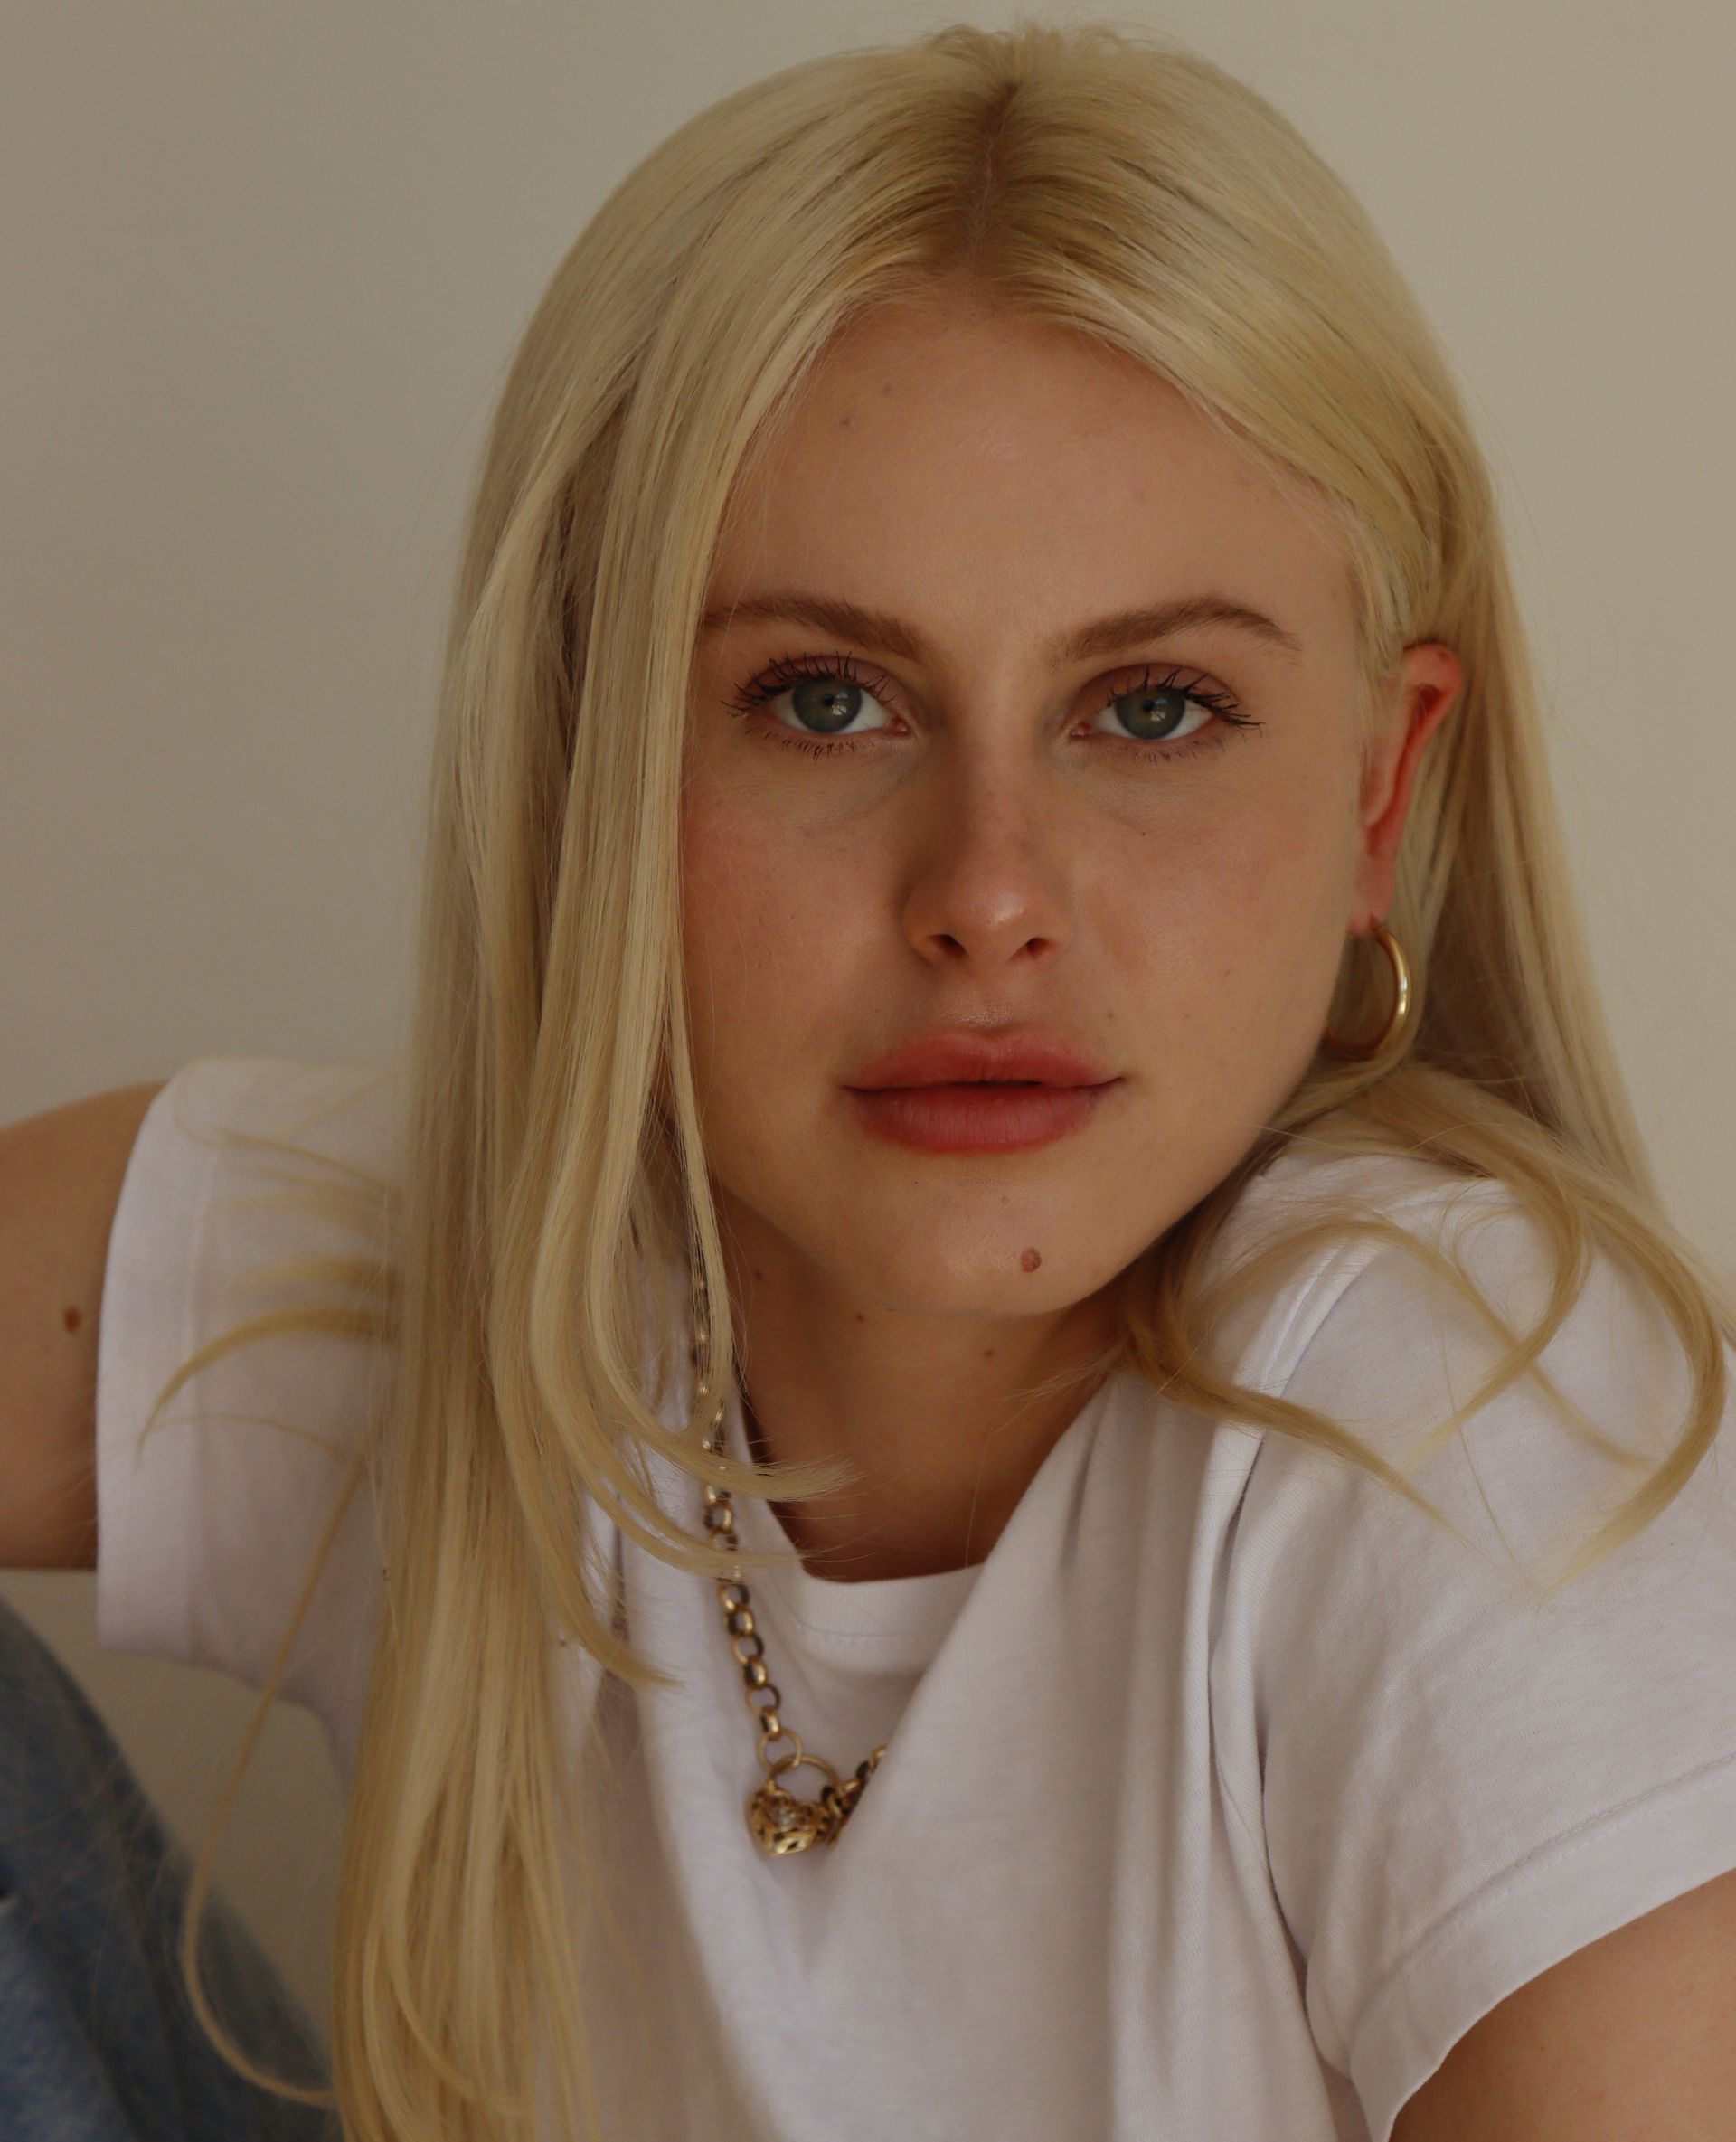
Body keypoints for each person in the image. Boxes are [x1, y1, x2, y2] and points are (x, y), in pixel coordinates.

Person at [6, 18, 1736, 2142]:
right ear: (582, 777)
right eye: (826, 700)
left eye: (1154, 708)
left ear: (1378, 793)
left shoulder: (1460, 1420)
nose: (989, 896)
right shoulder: (486, 1278)